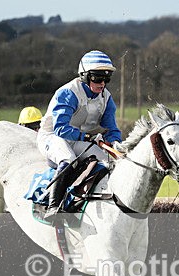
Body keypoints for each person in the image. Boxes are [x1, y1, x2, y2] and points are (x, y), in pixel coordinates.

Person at [37, 50, 122, 221]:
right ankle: (53, 207)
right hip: (54, 136)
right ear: (85, 76)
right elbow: (61, 128)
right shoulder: (68, 93)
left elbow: (111, 128)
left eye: (106, 79)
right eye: (97, 78)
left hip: (79, 139)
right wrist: (88, 138)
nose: (102, 83)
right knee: (68, 159)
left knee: (107, 159)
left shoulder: (106, 98)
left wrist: (116, 144)